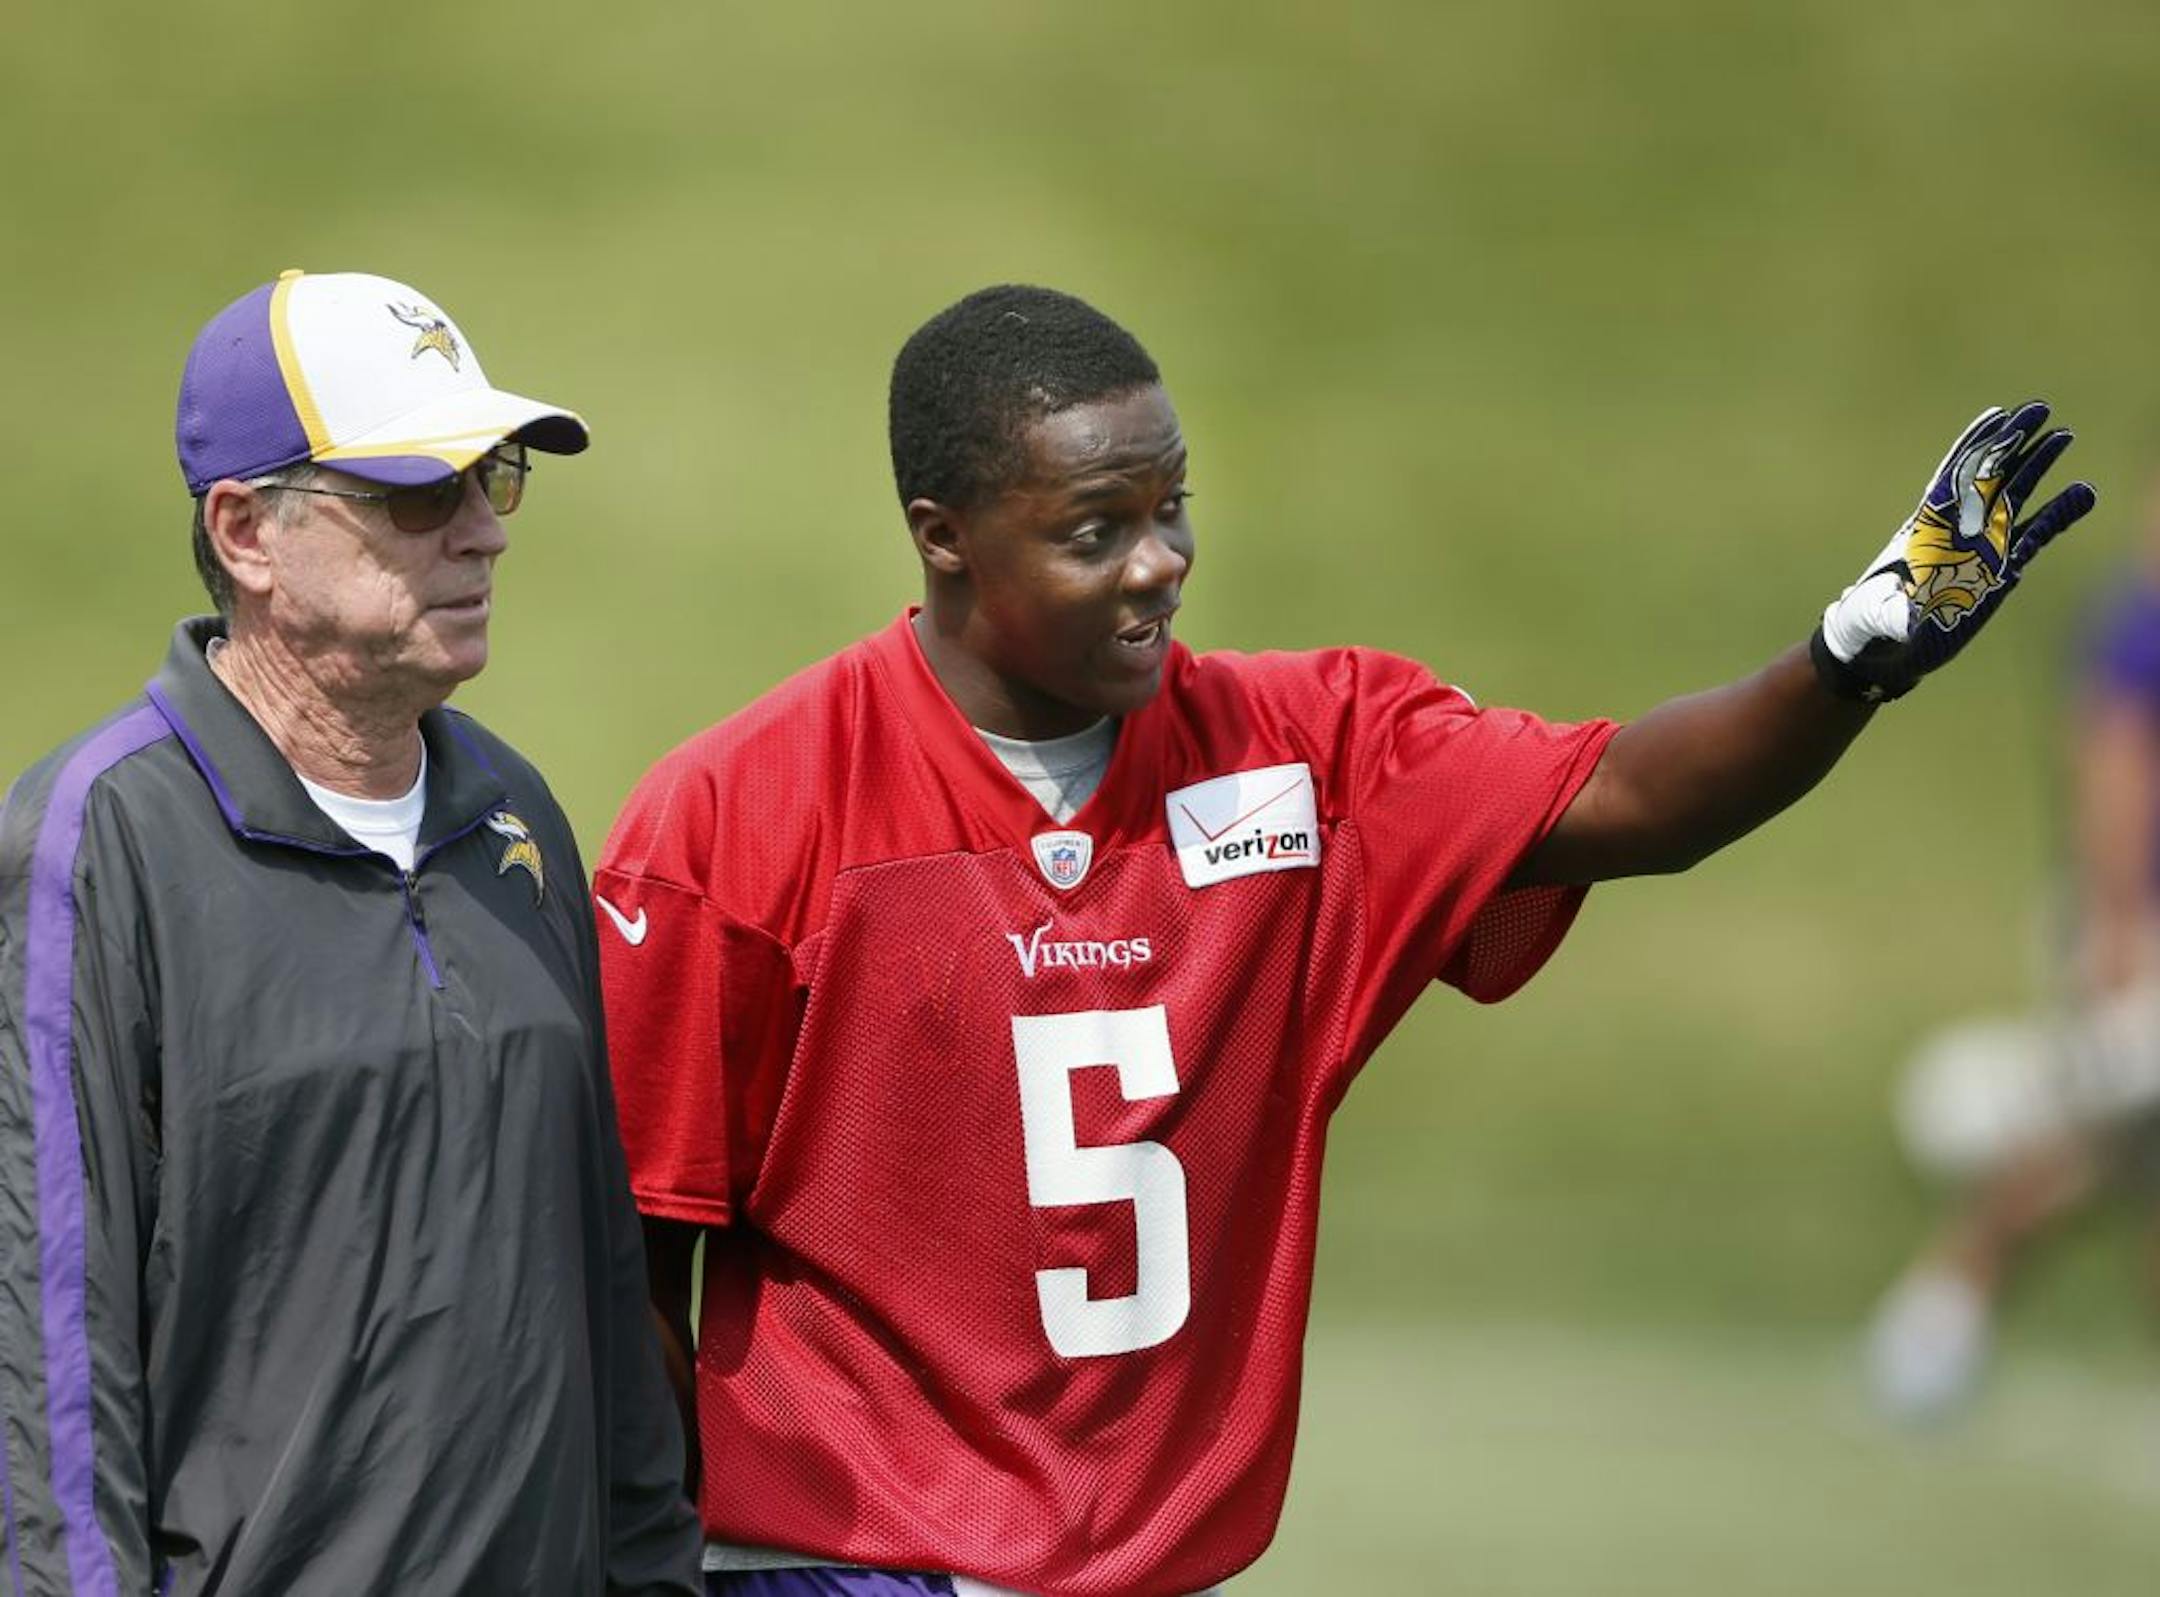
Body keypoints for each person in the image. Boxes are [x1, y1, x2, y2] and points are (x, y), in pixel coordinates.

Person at [594, 284, 2094, 1597]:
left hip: (1154, 1566)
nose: (1158, 563)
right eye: (1093, 530)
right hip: (849, 1565)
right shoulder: (745, 812)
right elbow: (632, 1265)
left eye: (1171, 506)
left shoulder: (1306, 752)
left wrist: (1853, 654)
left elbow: (1637, 798)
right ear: (944, 539)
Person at [0, 269, 702, 1593]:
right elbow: (46, 1374)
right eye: (417, 494)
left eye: (492, 479)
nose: (483, 536)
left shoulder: (517, 820)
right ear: (247, 530)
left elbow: (609, 1304)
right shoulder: (93, 849)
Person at [1867, 476, 2160, 1421]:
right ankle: (1940, 1310)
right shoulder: (2140, 626)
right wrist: (2115, 925)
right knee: (2098, 1149)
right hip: (2143, 933)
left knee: (2122, 1161)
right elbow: (2114, 772)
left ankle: (1939, 1314)